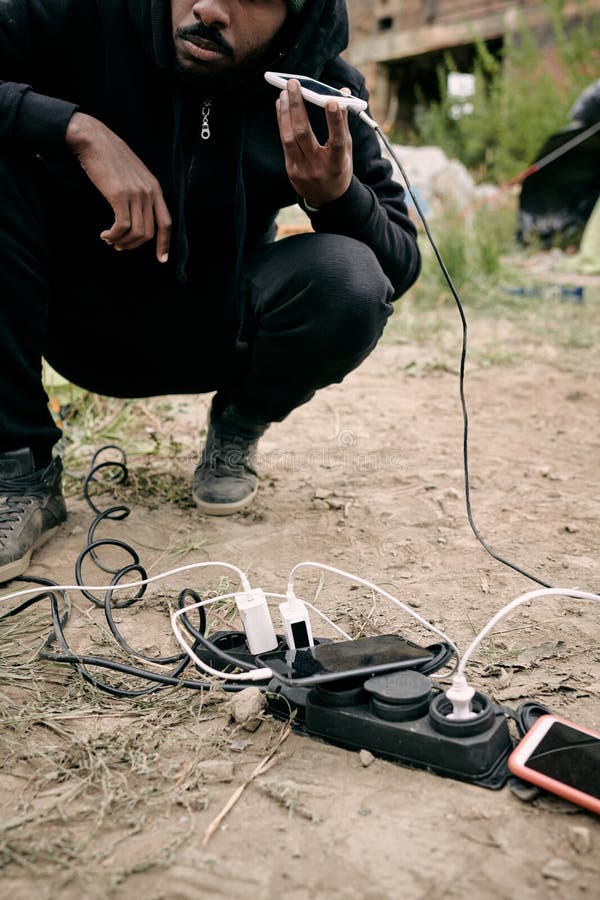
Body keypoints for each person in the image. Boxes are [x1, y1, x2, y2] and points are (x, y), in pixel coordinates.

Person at [0, 0, 421, 582]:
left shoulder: (322, 91)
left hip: (216, 330)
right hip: (65, 317)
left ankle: (239, 425)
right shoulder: (79, 17)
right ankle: (20, 467)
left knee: (350, 276)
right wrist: (78, 130)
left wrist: (337, 196)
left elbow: (400, 264)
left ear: (295, 17)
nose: (209, 8)